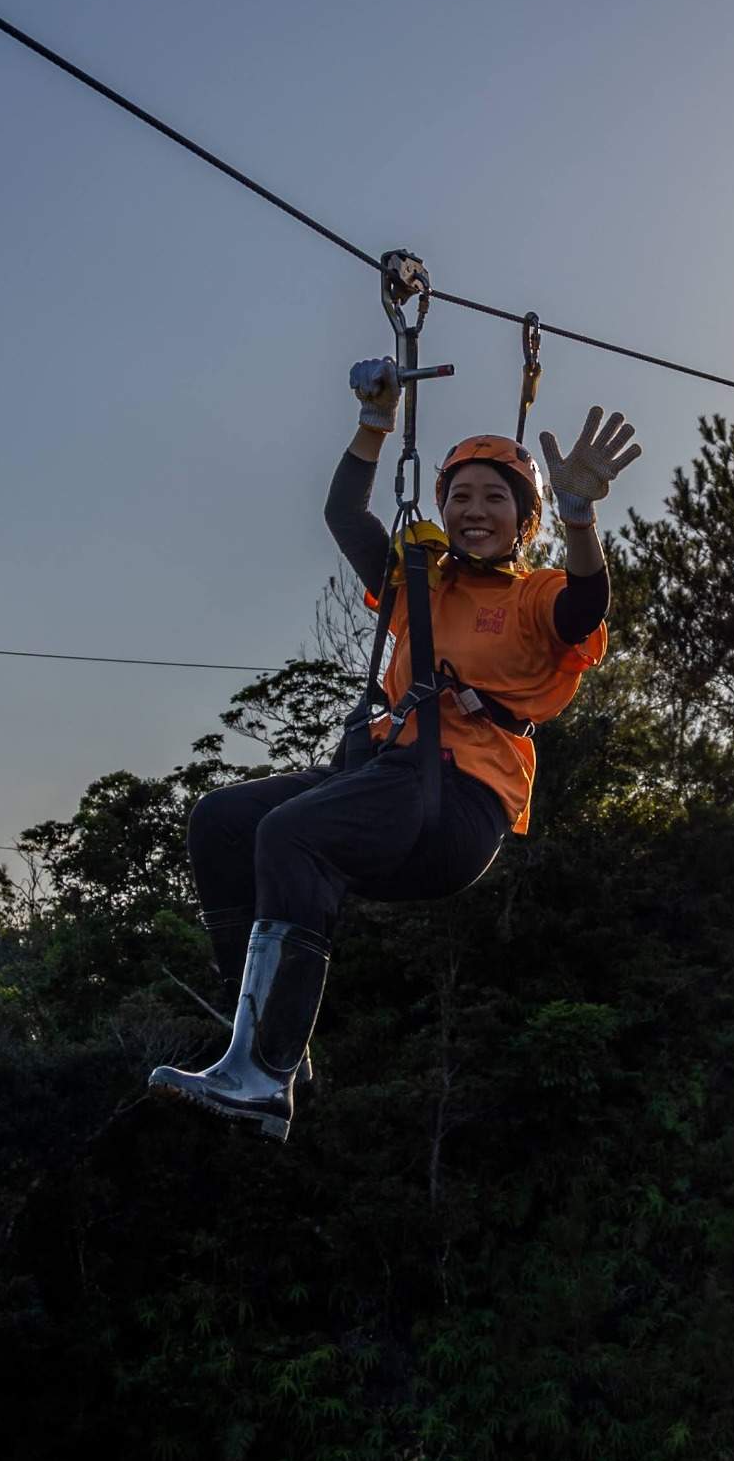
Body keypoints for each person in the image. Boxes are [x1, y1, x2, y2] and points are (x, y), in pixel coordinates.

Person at [147, 360, 640, 1141]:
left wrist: (579, 518)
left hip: (457, 803)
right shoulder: (424, 582)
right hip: (388, 775)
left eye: (493, 498)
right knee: (223, 822)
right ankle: (275, 1043)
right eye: (459, 496)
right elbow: (346, 517)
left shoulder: (536, 594)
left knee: (291, 833)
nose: (472, 510)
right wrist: (374, 424)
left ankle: (263, 1074)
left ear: (521, 520)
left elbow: (587, 605)